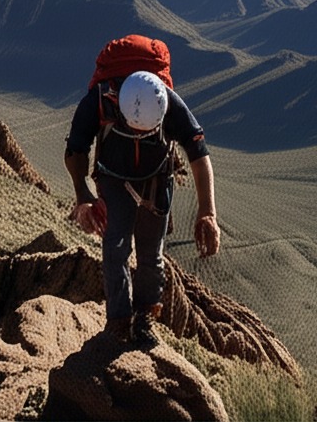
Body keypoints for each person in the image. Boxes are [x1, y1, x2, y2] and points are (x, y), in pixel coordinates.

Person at [64, 35, 220, 347]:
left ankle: (145, 318)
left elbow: (200, 158)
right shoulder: (99, 100)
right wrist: (83, 195)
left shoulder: (169, 103)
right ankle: (119, 322)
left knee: (152, 253)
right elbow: (76, 150)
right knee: (115, 248)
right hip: (113, 179)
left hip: (157, 179)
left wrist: (208, 213)